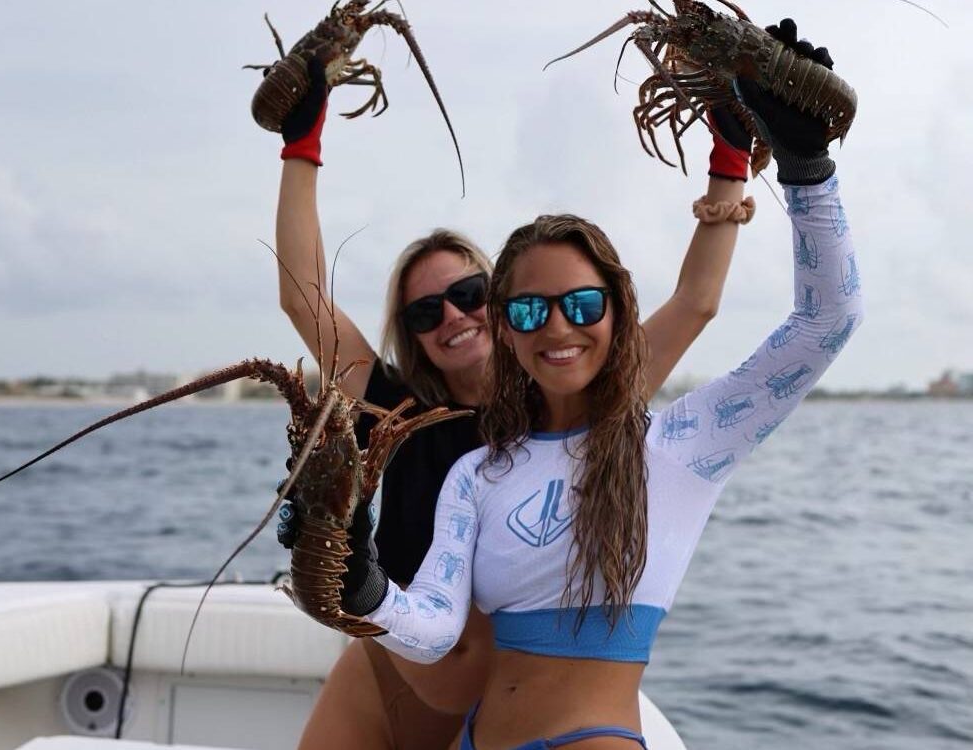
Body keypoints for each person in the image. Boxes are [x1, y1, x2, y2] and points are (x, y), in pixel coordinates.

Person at [332, 20, 863, 750]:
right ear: (506, 330)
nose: (558, 329)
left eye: (582, 306)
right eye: (530, 310)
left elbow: (825, 321)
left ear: (617, 312)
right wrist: (360, 581)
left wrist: (807, 167)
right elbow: (430, 630)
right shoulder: (476, 474)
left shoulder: (680, 444)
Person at [274, 45, 755, 750]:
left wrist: (730, 158)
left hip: (488, 712)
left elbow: (696, 301)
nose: (452, 318)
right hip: (382, 673)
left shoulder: (577, 398)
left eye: (468, 295)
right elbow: (301, 295)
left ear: (502, 304)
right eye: (424, 312)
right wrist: (301, 143)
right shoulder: (388, 405)